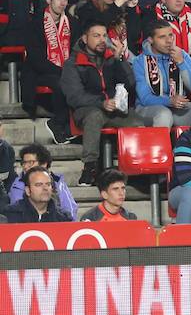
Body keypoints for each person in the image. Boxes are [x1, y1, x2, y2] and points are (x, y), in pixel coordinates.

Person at [61, 21, 141, 185]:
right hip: (86, 110)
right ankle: (90, 168)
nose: (102, 40)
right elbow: (75, 96)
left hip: (114, 109)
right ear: (85, 38)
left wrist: (120, 59)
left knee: (137, 122)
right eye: (96, 36)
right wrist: (102, 102)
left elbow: (130, 83)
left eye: (104, 35)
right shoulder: (73, 63)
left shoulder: (111, 58)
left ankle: (135, 169)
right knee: (95, 116)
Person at [3, 169, 71, 223]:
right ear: (28, 190)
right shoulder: (9, 215)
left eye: (48, 184)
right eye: (39, 185)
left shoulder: (63, 218)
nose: (45, 188)